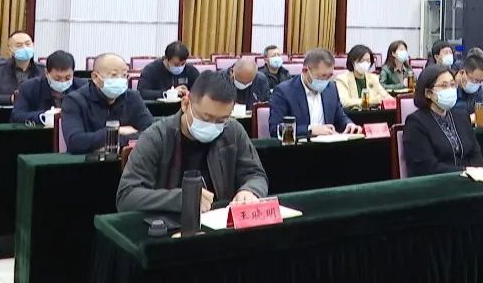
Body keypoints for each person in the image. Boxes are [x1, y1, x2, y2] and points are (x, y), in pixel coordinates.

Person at [116, 71, 268, 213]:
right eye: (206, 118)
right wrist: (182, 199)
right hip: (170, 223)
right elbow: (127, 196)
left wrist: (250, 191)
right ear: (186, 104)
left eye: (221, 120)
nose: (213, 125)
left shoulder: (232, 131)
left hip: (220, 221)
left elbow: (256, 175)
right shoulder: (156, 136)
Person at [61, 53, 154, 154]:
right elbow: (75, 142)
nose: (120, 80)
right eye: (114, 75)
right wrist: (116, 131)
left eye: (124, 75)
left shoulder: (133, 97)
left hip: (126, 161)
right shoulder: (74, 100)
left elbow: (151, 134)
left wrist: (114, 142)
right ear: (95, 77)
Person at [402, 64, 483, 176]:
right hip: (438, 182)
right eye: (444, 86)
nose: (450, 89)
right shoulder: (416, 123)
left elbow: (476, 153)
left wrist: (476, 171)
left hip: (470, 179)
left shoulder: (462, 116)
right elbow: (426, 167)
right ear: (428, 93)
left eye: (452, 85)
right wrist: (465, 171)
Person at [267, 48, 362, 138]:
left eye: (329, 76)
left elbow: (339, 116)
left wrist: (348, 124)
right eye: (322, 76)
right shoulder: (284, 91)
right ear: (305, 71)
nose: (326, 81)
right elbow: (275, 129)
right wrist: (310, 130)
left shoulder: (331, 88)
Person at [11, 50, 85, 124]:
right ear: (46, 73)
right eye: (57, 78)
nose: (62, 82)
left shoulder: (82, 87)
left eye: (68, 78)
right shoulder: (29, 87)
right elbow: (16, 116)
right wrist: (44, 116)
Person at [0, 31, 45, 106]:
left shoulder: (43, 70)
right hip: (6, 111)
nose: (24, 48)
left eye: (28, 44)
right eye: (19, 45)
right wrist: (11, 99)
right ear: (10, 50)